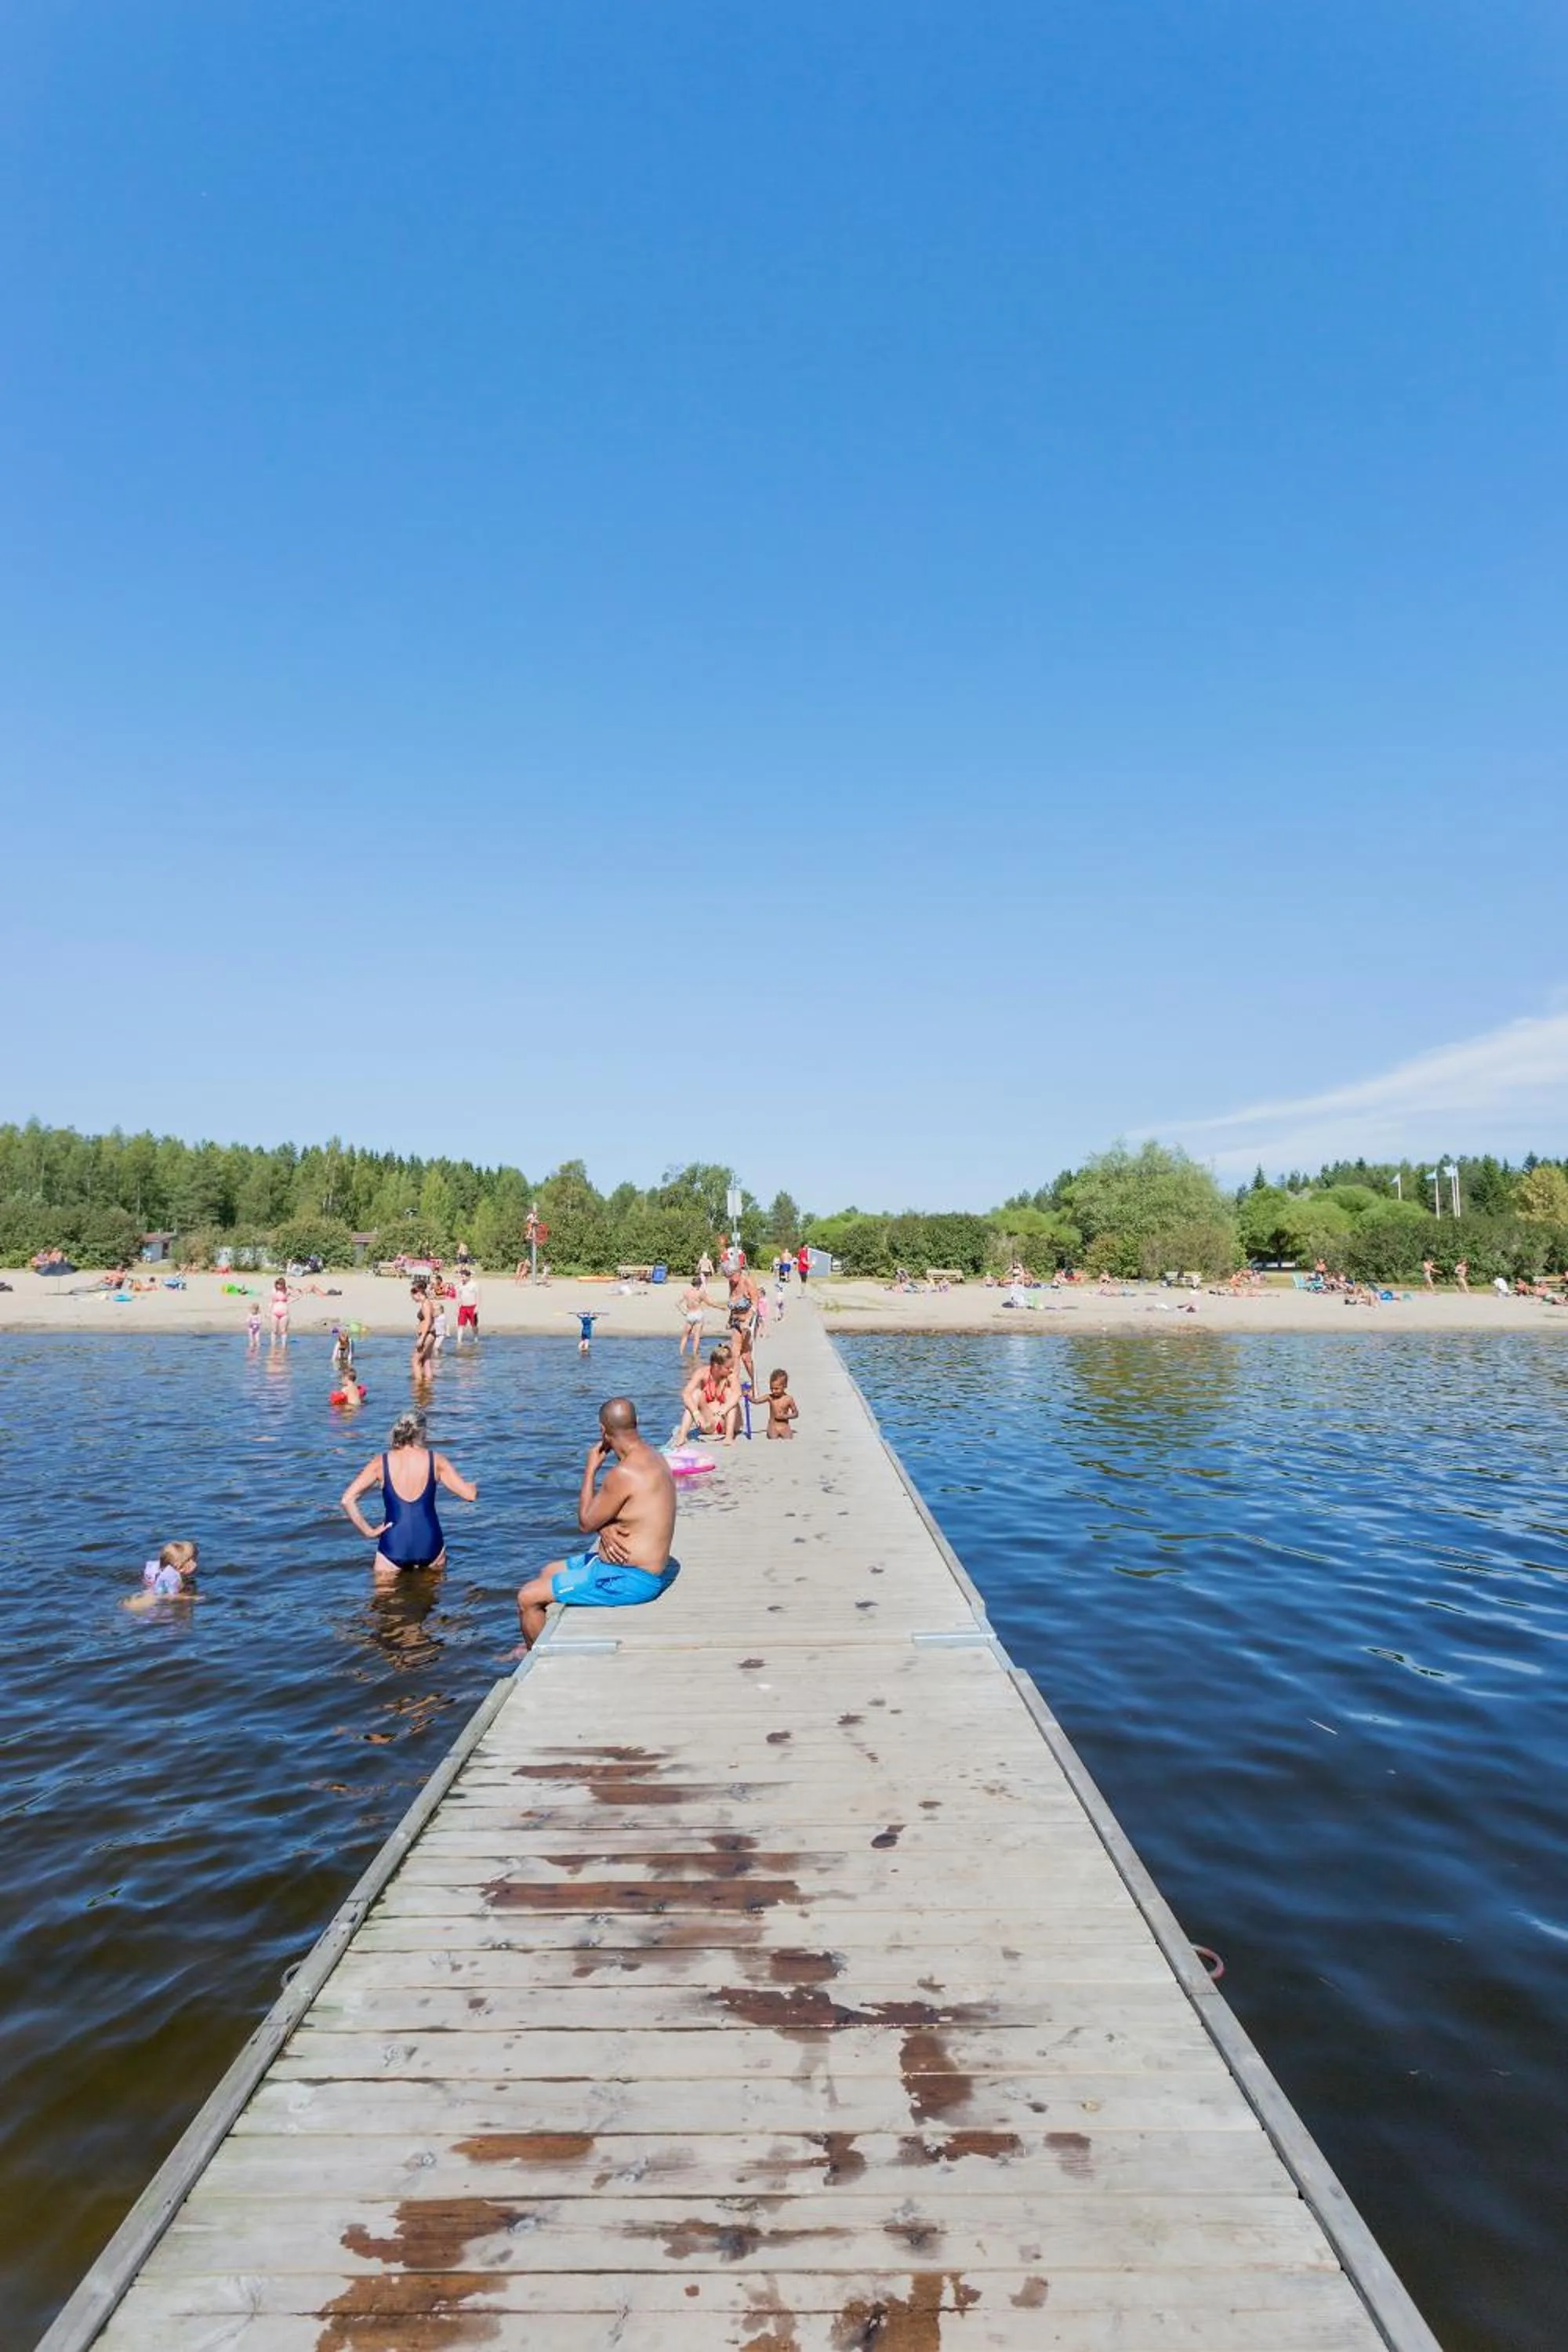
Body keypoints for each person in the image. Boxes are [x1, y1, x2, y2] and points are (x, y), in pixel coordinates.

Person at [514, 1397, 679, 1651]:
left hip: (631, 1580)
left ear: (603, 1431)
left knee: (527, 1597)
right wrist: (604, 1526)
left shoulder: (623, 1473)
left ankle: (535, 1656)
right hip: (628, 1571)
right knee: (548, 1571)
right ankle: (532, 1634)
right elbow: (628, 1510)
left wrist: (590, 1468)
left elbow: (585, 1522)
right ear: (636, 1422)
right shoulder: (654, 1457)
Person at [339, 1410, 478, 1575]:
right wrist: (473, 1486)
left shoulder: (380, 1462)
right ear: (423, 1432)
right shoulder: (436, 1460)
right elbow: (469, 1496)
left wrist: (369, 1532)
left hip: (394, 1542)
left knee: (384, 1591)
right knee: (432, 1590)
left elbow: (347, 1500)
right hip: (429, 1542)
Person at [674, 1342, 741, 1446]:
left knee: (729, 1393)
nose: (731, 1370)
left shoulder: (731, 1377)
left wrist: (721, 1412)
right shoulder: (702, 1373)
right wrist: (696, 1414)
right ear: (716, 1366)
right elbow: (686, 1394)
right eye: (728, 1368)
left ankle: (729, 1436)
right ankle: (682, 1436)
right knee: (695, 1394)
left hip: (726, 1422)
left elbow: (737, 1394)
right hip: (710, 1423)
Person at [126, 1540, 200, 1610]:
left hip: (150, 1591)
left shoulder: (158, 1569)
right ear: (179, 1566)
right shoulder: (173, 1578)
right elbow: (171, 1596)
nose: (196, 1564)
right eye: (194, 1560)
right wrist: (190, 1598)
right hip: (156, 1600)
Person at [764, 1367, 799, 1439]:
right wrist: (748, 1396)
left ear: (785, 1386)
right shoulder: (769, 1397)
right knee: (773, 1437)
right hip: (773, 1425)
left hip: (784, 1425)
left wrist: (785, 1416)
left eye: (776, 1389)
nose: (773, 1391)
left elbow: (796, 1414)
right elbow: (756, 1401)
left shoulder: (789, 1399)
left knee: (788, 1438)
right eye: (771, 1388)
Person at [678, 1276, 707, 1357]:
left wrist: (683, 1312)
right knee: (697, 1336)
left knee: (685, 1336)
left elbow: (677, 1304)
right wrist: (720, 1307)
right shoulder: (700, 1293)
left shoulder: (687, 1292)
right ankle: (695, 1354)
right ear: (700, 1284)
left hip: (690, 1314)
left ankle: (681, 1353)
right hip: (698, 1314)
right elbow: (710, 1302)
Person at [457, 1270, 480, 1341]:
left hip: (472, 1307)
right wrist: (457, 1308)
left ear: (468, 1277)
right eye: (461, 1277)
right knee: (460, 1325)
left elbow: (478, 1296)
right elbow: (459, 1297)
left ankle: (476, 1338)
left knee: (474, 1325)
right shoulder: (460, 1285)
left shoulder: (474, 1284)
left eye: (463, 1277)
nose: (462, 1279)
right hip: (463, 1307)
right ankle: (459, 1341)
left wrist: (477, 1307)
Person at [270, 1275, 292, 1347]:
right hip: (274, 1312)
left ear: (283, 1284)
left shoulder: (287, 1290)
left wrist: (291, 1299)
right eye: (277, 1284)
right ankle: (273, 1346)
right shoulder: (274, 1290)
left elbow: (296, 1295)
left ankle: (283, 1346)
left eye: (280, 1284)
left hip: (284, 1313)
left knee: (283, 1331)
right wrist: (269, 1311)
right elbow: (272, 1301)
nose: (279, 1286)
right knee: (274, 1330)